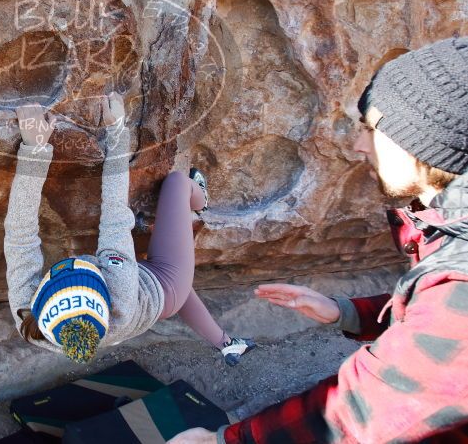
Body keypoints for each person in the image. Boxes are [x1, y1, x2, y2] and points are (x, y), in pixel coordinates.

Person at [170, 36, 468, 443]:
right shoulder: (451, 230)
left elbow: (365, 412)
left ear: (425, 139)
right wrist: (346, 311)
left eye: (374, 129)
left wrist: (224, 440)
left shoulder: (461, 290)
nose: (360, 146)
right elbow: (426, 319)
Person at [4, 92, 255, 365]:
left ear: (39, 305)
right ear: (106, 294)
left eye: (61, 274)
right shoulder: (120, 288)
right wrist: (116, 131)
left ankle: (227, 344)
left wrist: (35, 151)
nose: (74, 263)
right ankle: (201, 200)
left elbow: (20, 236)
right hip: (163, 286)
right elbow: (114, 214)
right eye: (86, 273)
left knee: (180, 294)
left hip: (144, 307)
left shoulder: (27, 318)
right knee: (177, 184)